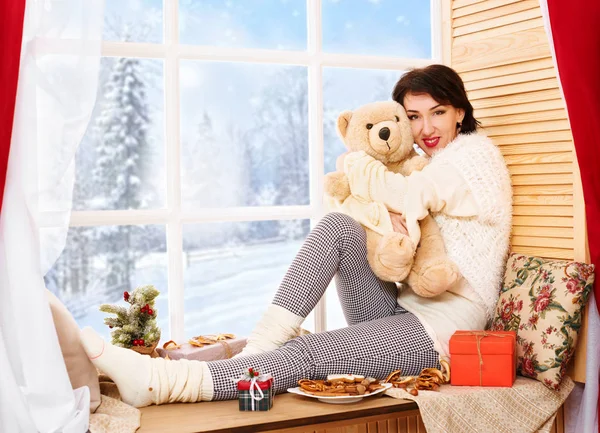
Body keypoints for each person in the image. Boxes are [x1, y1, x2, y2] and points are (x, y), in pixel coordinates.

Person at [80, 64, 512, 408]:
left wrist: (359, 168)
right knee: (339, 227)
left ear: (459, 110)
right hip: (401, 311)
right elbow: (370, 213)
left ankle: (163, 383)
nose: (425, 128)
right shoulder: (428, 162)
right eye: (413, 117)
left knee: (309, 355)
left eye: (438, 111)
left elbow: (412, 198)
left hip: (442, 334)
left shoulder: (475, 156)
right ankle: (261, 346)